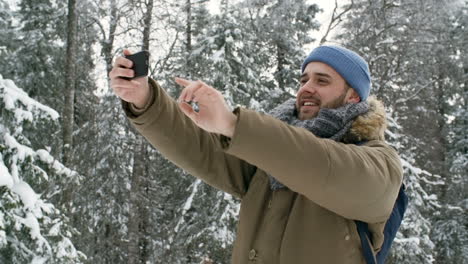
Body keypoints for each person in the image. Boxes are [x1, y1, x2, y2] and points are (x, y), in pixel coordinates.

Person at [110, 45, 403, 264]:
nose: (307, 88)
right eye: (304, 80)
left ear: (354, 95)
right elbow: (201, 148)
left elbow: (322, 165)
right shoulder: (267, 156)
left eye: (322, 81)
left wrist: (234, 124)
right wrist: (145, 100)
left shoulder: (379, 162)